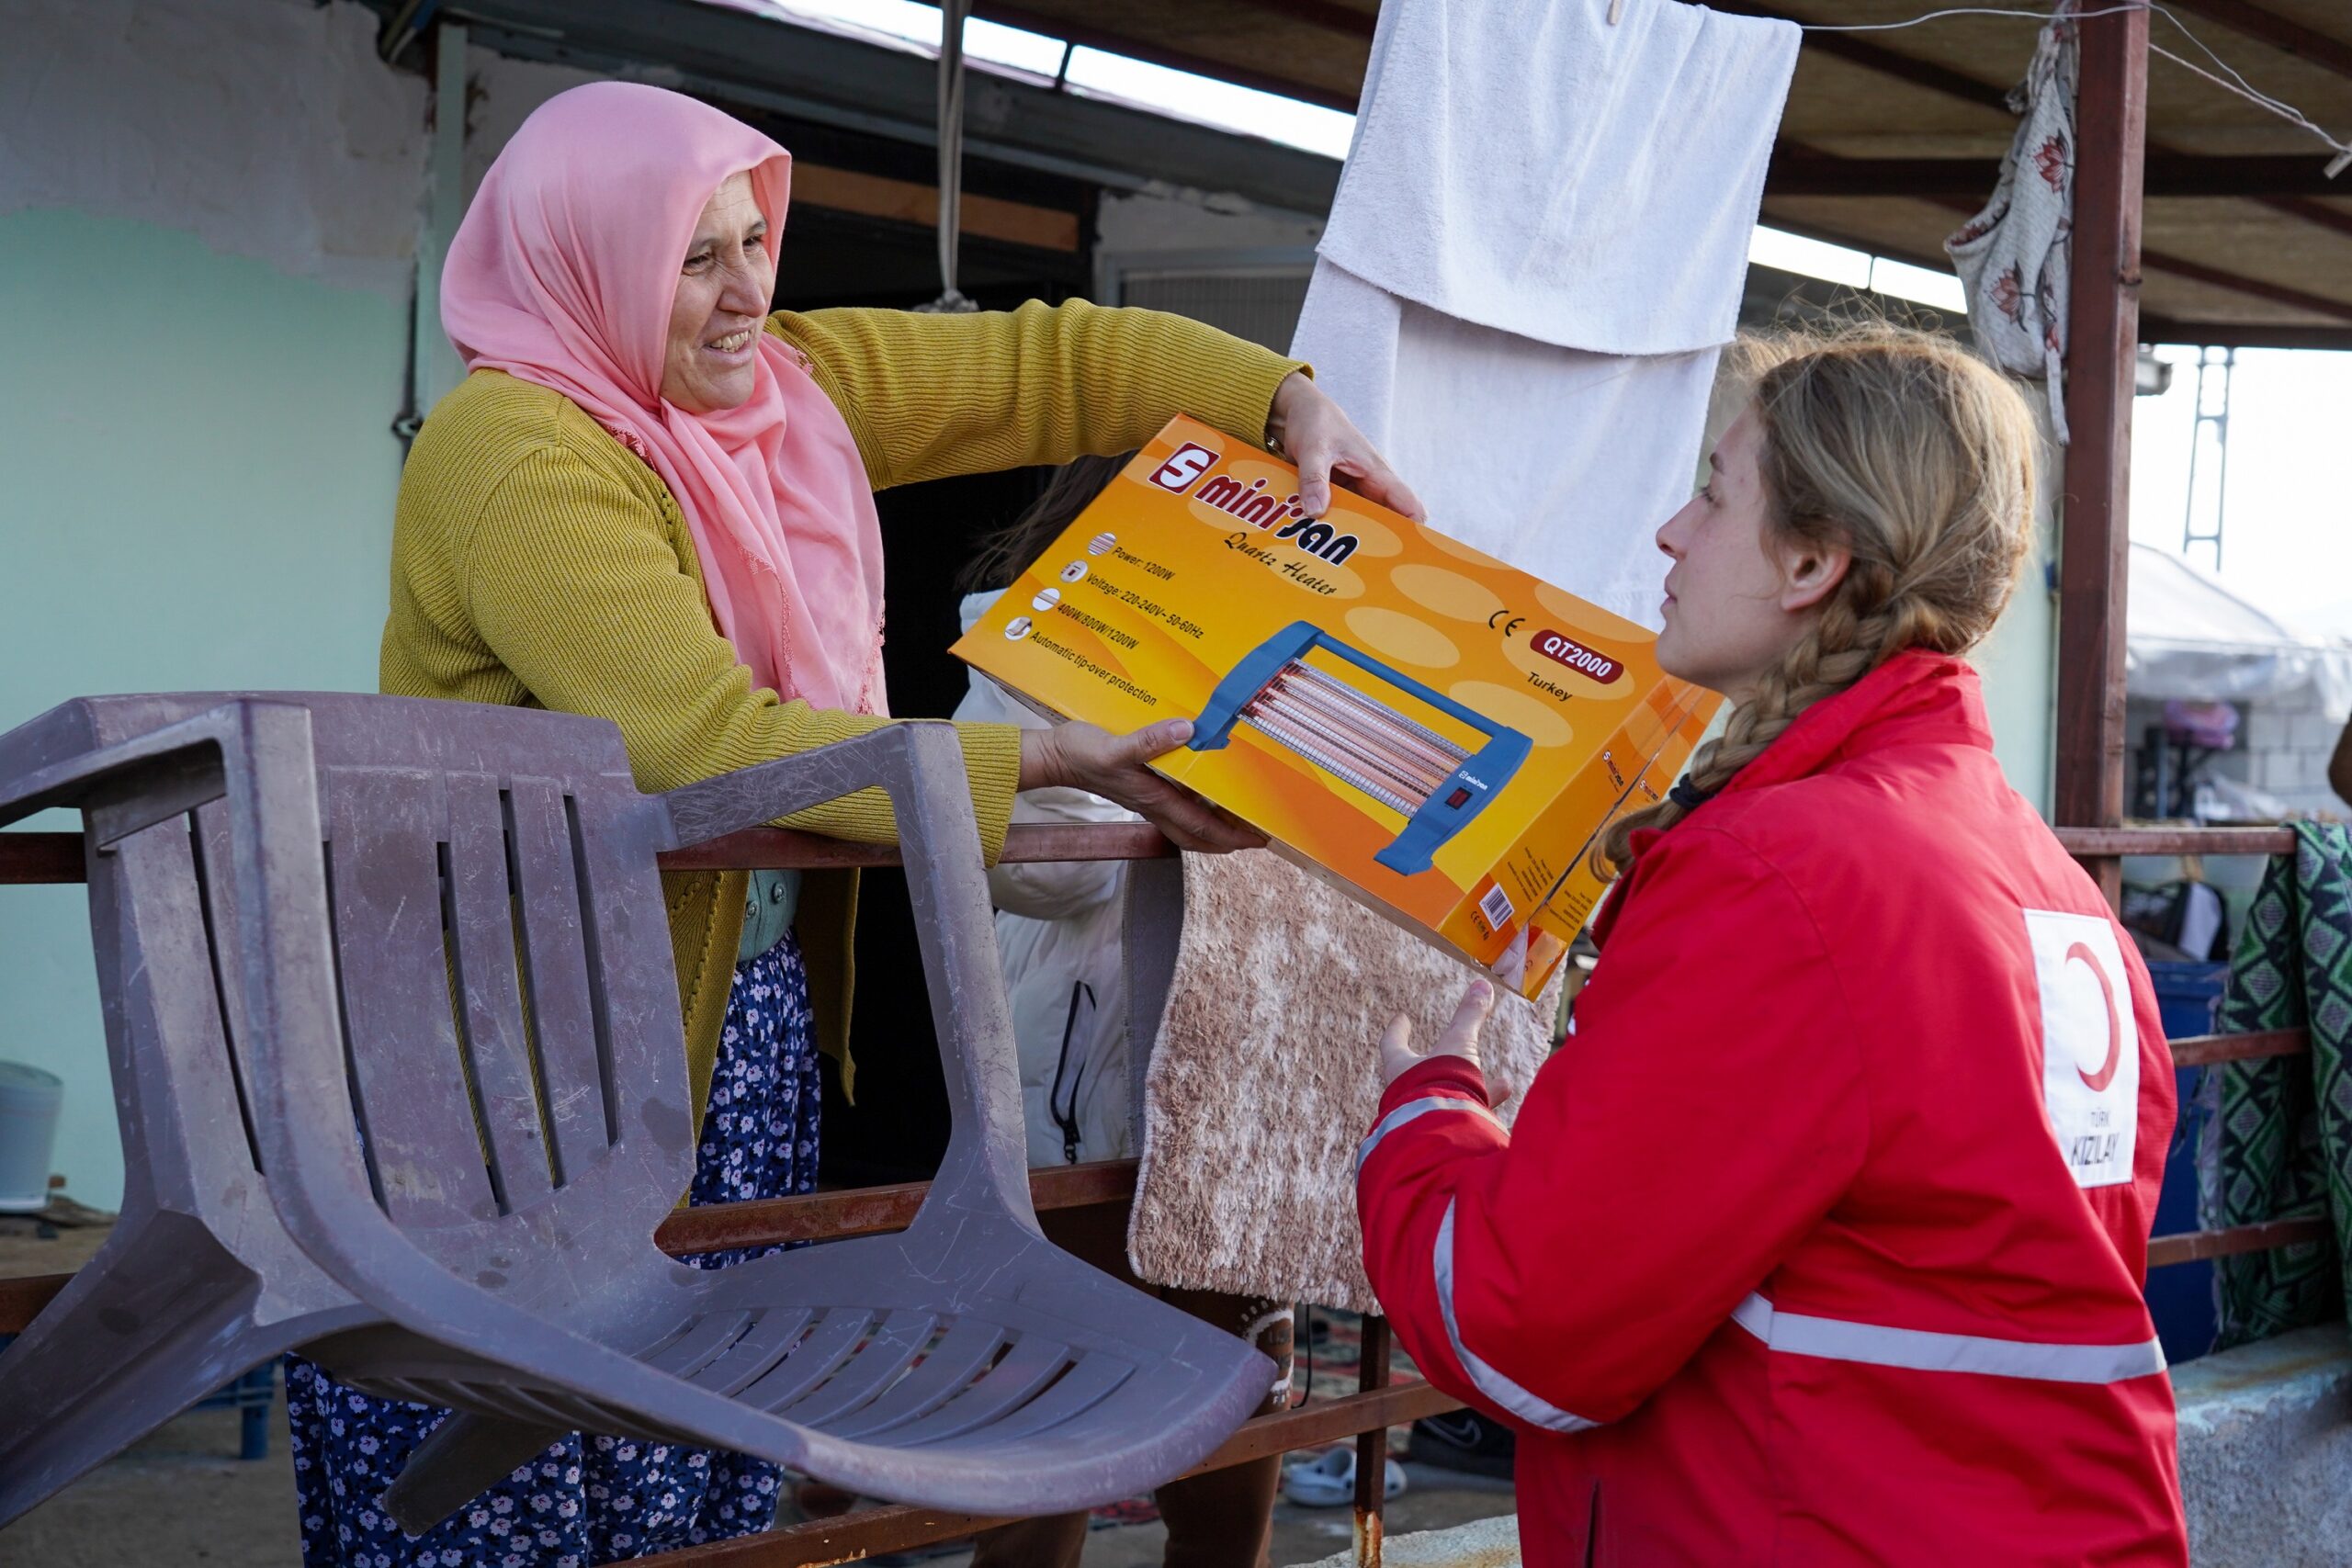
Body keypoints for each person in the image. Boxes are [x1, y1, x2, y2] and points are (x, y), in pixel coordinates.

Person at [294, 81, 1414, 1566]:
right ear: (590, 262)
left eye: (755, 240)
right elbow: (711, 745)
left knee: (690, 1467)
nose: (748, 288)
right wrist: (1038, 763)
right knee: (511, 1479)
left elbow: (1045, 363)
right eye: (692, 259)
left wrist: (1280, 393)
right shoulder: (518, 454)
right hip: (504, 1053)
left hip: (720, 1030)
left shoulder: (779, 396)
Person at [1355, 325, 2188, 1566]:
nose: (1670, 536)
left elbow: (1525, 1326)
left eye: (1712, 492)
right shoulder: (2054, 886)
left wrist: (1421, 1119)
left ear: (1810, 558)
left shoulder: (1781, 873)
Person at [950, 456, 1296, 1568]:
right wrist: (1122, 764)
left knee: (1232, 1385)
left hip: (1223, 1082)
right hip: (1075, 1091)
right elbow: (1035, 873)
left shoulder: (1285, 658)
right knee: (1048, 1396)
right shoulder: (1027, 643)